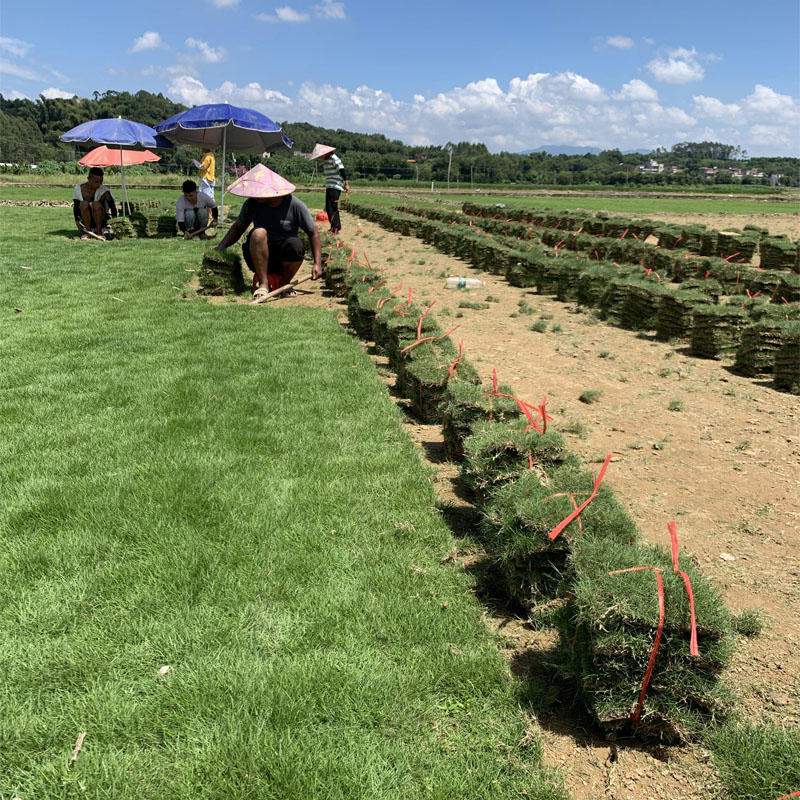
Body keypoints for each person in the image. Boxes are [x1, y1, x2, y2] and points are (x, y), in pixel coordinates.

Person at [213, 164, 322, 302]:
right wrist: (220, 247)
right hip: (259, 256)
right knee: (258, 233)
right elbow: (238, 228)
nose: (256, 195)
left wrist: (317, 263)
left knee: (296, 243)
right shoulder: (252, 204)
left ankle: (284, 283)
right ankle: (263, 284)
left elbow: (313, 233)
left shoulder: (295, 205)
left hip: (285, 258)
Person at [309, 143, 349, 235]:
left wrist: (346, 184)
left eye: (320, 155)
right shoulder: (326, 160)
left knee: (333, 207)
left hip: (335, 186)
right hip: (329, 186)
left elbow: (342, 170)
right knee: (329, 207)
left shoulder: (334, 158)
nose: (319, 158)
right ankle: (334, 227)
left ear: (326, 153)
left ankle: (336, 228)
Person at [73, 167, 117, 240]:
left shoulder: (104, 190)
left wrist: (115, 222)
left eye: (101, 182)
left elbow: (112, 206)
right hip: (85, 220)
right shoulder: (79, 188)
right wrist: (77, 221)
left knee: (96, 204)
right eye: (96, 182)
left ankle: (99, 232)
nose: (99, 184)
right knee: (84, 204)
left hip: (102, 220)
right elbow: (76, 205)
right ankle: (89, 232)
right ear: (88, 179)